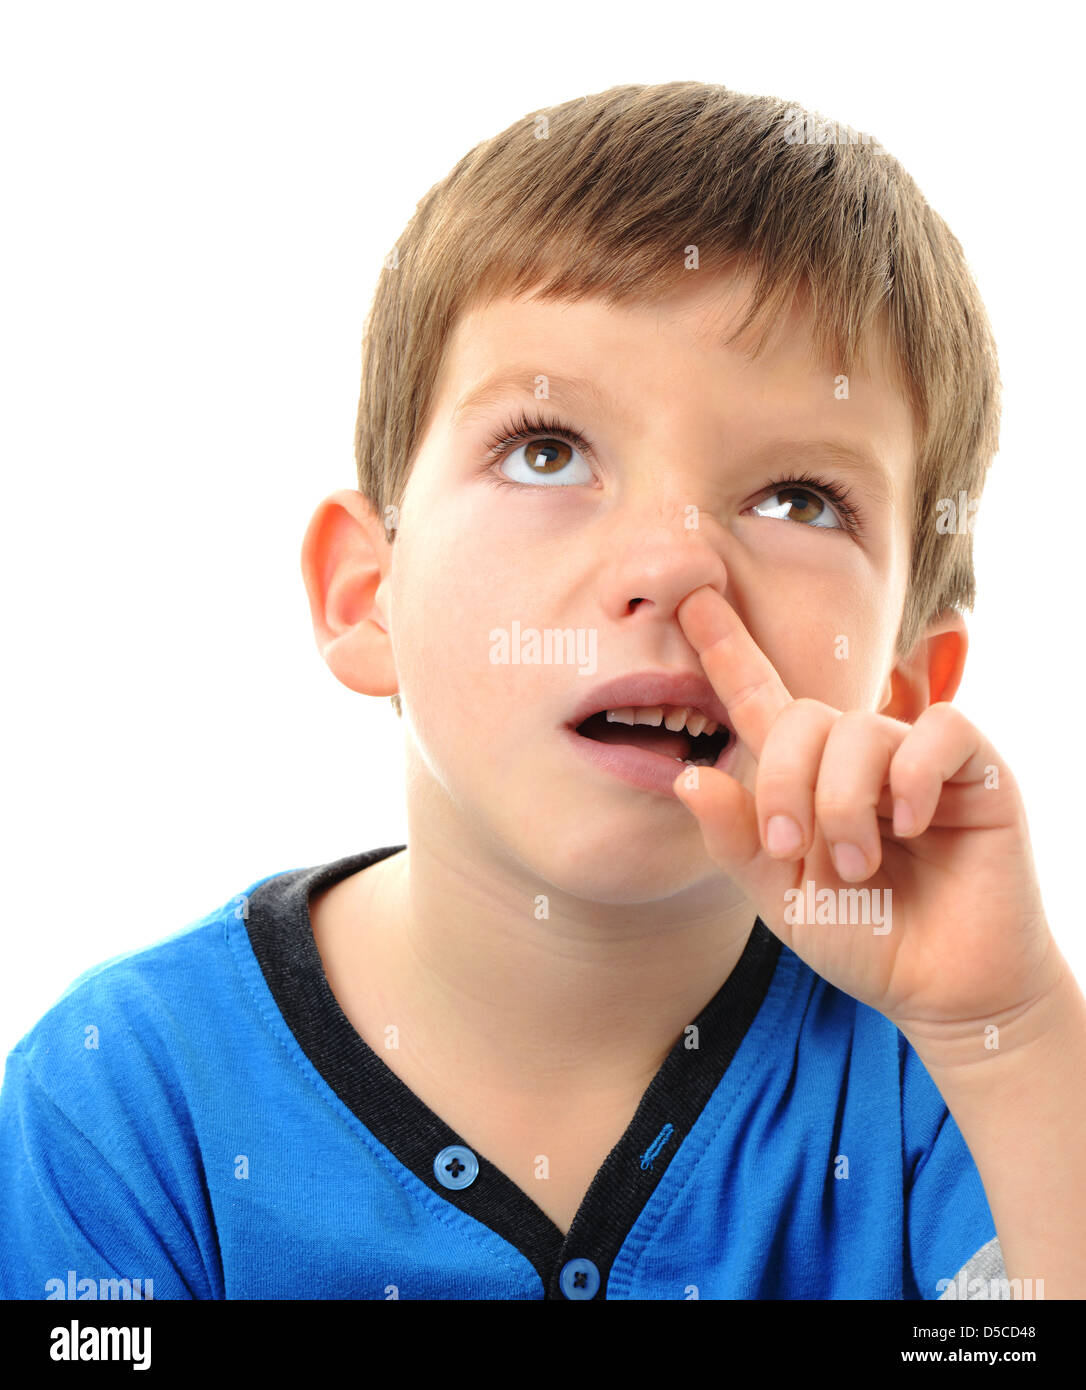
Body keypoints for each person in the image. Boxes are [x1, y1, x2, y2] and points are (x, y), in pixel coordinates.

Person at [3, 81, 1083, 1301]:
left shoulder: (950, 1087)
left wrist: (1019, 1033)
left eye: (796, 497)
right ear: (368, 595)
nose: (675, 561)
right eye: (547, 450)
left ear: (900, 694)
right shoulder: (122, 1103)